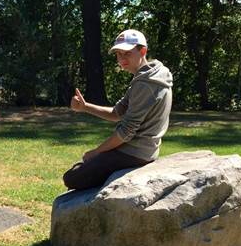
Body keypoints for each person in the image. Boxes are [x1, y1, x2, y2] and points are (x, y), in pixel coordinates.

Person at [63, 29, 173, 190]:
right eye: (118, 54)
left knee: (72, 178)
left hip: (135, 154)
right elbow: (116, 114)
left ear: (142, 51)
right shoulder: (147, 76)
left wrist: (96, 152)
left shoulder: (145, 84)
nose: (121, 59)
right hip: (142, 150)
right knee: (80, 171)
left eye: (127, 53)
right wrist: (85, 107)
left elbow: (126, 132)